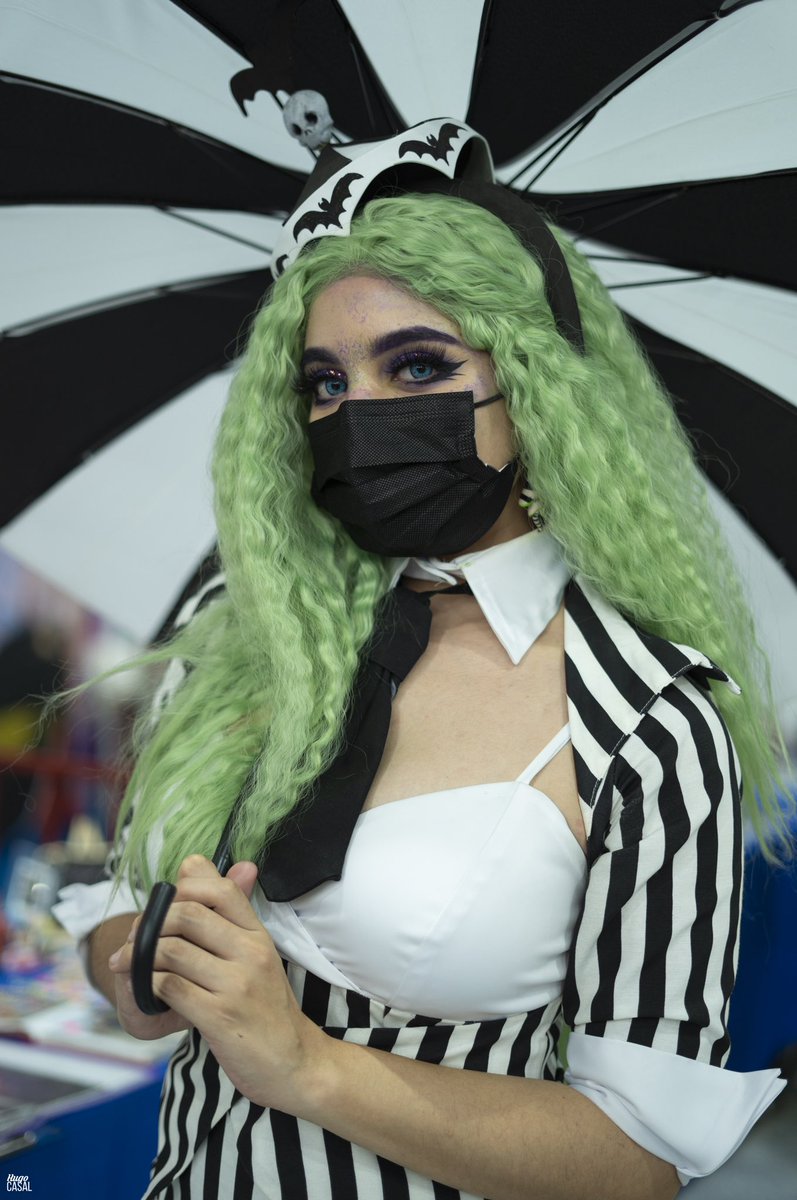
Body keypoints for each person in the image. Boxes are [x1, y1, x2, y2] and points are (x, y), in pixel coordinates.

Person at [54, 121, 791, 1200]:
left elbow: (636, 1159)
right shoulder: (236, 632)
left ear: (534, 386)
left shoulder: (648, 720)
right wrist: (132, 961)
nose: (358, 414)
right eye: (323, 382)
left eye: (416, 365)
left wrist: (308, 1065)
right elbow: (120, 898)